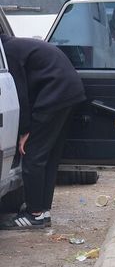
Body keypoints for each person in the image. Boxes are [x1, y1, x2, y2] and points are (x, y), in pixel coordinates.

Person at [0, 34, 88, 230]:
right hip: (68, 91)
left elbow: (19, 94)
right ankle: (41, 209)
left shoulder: (9, 53)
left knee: (32, 155)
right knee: (48, 156)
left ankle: (35, 214)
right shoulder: (18, 45)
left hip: (55, 94)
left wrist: (25, 131)